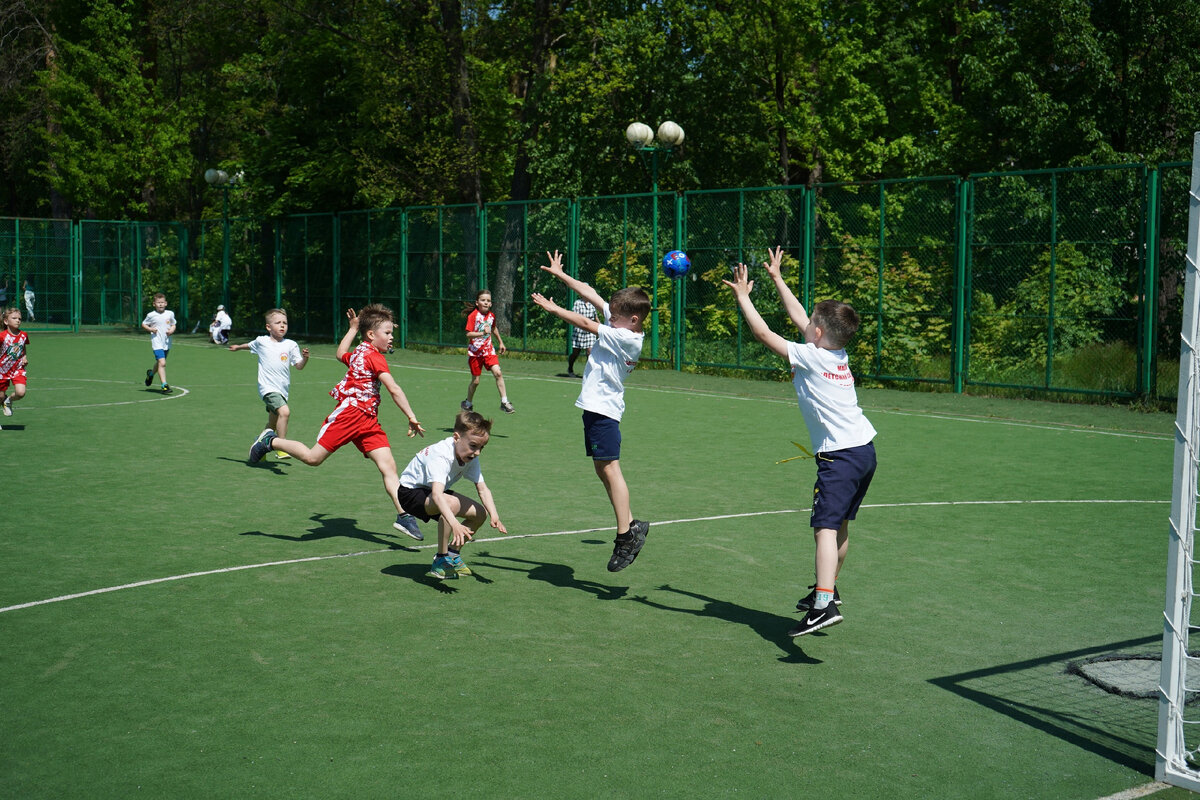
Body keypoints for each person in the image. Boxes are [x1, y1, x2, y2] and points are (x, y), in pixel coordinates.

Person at [722, 246, 877, 638]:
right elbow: (800, 319)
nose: (804, 323)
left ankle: (823, 605)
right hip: (864, 451)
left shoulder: (812, 357)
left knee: (824, 528)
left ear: (819, 333)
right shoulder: (834, 354)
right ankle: (829, 589)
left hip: (840, 457)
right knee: (839, 526)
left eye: (811, 324)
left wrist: (743, 296)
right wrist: (776, 278)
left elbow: (763, 333)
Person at [248, 305, 426, 533]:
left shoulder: (361, 352)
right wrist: (411, 416)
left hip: (368, 421)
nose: (392, 338)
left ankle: (404, 515)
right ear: (371, 335)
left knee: (388, 467)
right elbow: (393, 389)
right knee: (313, 458)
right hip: (350, 416)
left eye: (392, 333)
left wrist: (352, 329)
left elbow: (340, 353)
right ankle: (270, 441)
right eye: (388, 333)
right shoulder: (373, 356)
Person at [530, 249, 652, 572]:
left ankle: (626, 535)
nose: (608, 316)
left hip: (604, 410)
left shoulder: (626, 338)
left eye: (614, 315)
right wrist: (561, 275)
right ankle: (631, 526)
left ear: (633, 320)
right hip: (595, 409)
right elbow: (590, 292)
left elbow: (585, 322)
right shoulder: (620, 324)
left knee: (611, 469)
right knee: (602, 470)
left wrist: (554, 307)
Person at [397, 410, 508, 578]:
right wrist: (455, 523)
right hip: (410, 494)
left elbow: (482, 488)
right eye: (473, 446)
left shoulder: (470, 457)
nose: (477, 452)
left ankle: (453, 554)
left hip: (432, 491)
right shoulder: (441, 455)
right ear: (456, 437)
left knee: (480, 514)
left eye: (481, 448)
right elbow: (437, 495)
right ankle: (440, 559)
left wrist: (494, 514)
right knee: (452, 504)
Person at [229, 308, 310, 460]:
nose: (282, 326)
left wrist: (305, 359)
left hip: (282, 390)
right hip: (268, 389)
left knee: (272, 425)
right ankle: (281, 446)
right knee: (284, 412)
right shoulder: (262, 341)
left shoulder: (291, 345)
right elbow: (250, 345)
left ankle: (259, 447)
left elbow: (298, 366)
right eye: (278, 323)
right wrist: (238, 347)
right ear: (268, 327)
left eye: (285, 323)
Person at [461, 289, 514, 414]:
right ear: (477, 302)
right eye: (483, 300)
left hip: (488, 351)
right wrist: (482, 333)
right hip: (475, 353)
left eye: (488, 301)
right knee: (476, 381)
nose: (486, 303)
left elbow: (493, 328)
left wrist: (501, 342)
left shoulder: (491, 316)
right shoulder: (473, 316)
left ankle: (504, 402)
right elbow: (468, 334)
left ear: (491, 304)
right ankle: (468, 403)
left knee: (498, 373)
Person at [141, 292, 176, 393]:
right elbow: (144, 324)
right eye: (158, 302)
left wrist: (171, 331)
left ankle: (151, 374)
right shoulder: (151, 315)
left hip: (167, 342)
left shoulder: (170, 314)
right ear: (154, 304)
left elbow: (173, 324)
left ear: (166, 303)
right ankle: (164, 385)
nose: (160, 304)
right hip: (156, 342)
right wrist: (150, 329)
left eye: (162, 302)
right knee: (162, 363)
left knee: (160, 363)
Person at [0, 307, 29, 423]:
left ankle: (9, 400)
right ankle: (3, 400)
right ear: (6, 321)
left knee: (21, 392)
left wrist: (24, 357)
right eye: (14, 318)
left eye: (19, 318)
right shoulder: (2, 336)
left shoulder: (23, 335)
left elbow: (23, 348)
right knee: (0, 397)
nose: (18, 320)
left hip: (17, 369)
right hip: (2, 370)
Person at [567, 298, 597, 378]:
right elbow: (576, 317)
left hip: (590, 331)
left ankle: (588, 373)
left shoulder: (592, 303)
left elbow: (595, 317)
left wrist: (600, 326)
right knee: (575, 353)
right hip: (579, 331)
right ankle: (570, 368)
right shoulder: (577, 303)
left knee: (590, 352)